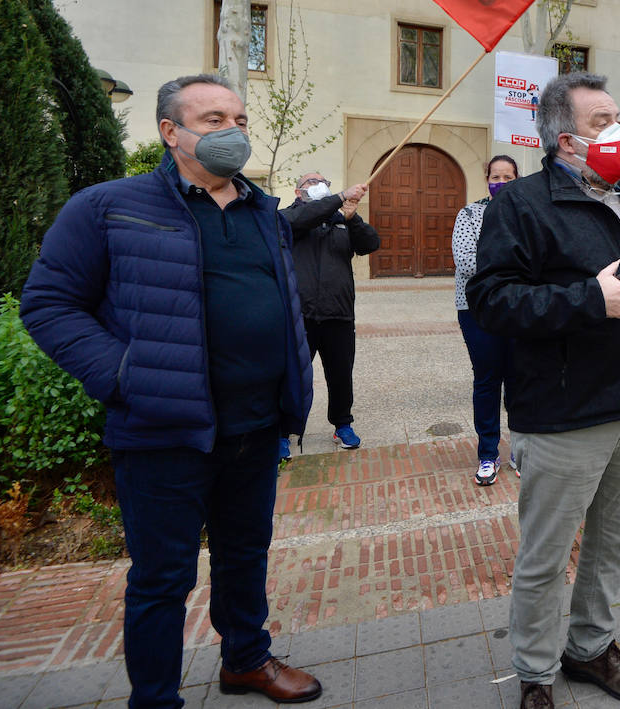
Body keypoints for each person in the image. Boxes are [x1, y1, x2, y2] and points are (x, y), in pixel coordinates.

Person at [20, 74, 321, 707]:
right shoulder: (108, 207)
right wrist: (124, 375)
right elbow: (49, 304)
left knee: (245, 554)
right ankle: (155, 699)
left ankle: (246, 659)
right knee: (161, 578)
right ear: (169, 131)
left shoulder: (266, 211)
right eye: (212, 120)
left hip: (255, 426)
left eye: (238, 119)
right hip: (161, 431)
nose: (231, 131)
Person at [466, 72, 620, 709]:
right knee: (545, 559)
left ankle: (591, 648)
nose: (619, 131)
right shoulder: (520, 203)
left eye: (617, 118)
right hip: (562, 414)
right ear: (564, 140)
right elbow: (491, 300)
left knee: (609, 546)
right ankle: (536, 675)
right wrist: (585, 299)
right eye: (603, 121)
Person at [280, 172, 379, 456]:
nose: (318, 184)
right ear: (298, 191)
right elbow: (300, 221)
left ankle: (342, 423)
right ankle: (284, 431)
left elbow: (370, 244)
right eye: (311, 181)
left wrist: (353, 219)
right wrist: (340, 197)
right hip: (301, 316)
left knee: (340, 375)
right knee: (294, 376)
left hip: (338, 313)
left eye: (323, 180)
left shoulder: (341, 221)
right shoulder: (288, 218)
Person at [452, 154, 519, 485]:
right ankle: (488, 454)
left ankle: (520, 450)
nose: (502, 183)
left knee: (521, 379)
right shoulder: (470, 215)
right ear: (487, 179)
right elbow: (466, 261)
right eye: (496, 176)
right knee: (488, 380)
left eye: (509, 177)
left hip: (519, 308)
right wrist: (511, 267)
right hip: (477, 309)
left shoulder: (526, 214)